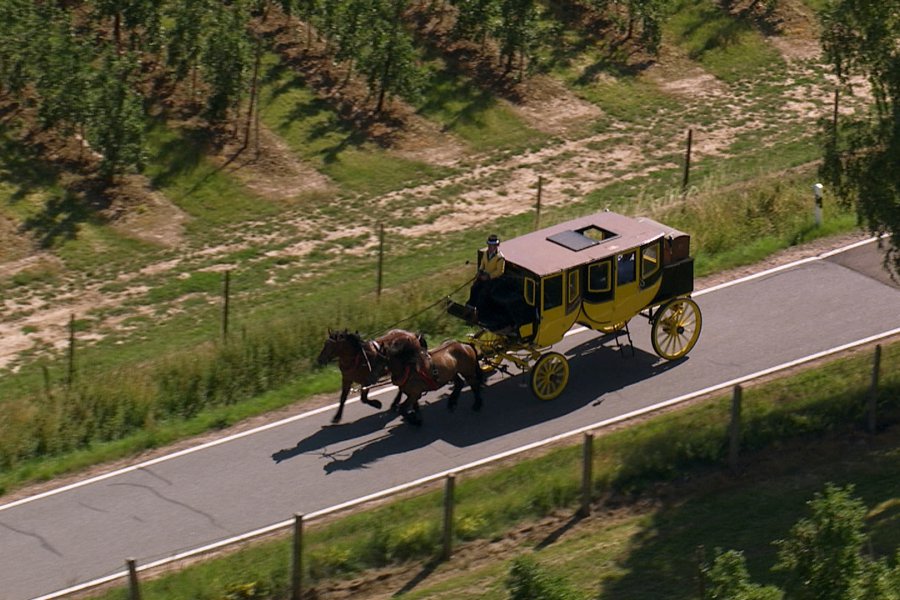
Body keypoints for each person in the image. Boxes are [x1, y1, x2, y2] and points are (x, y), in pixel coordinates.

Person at [467, 234, 505, 311]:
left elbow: (500, 272)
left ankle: (478, 311)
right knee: (474, 288)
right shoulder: (486, 253)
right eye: (489, 245)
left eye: (492, 246)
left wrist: (488, 277)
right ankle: (470, 306)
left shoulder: (500, 258)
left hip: (493, 280)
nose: (490, 248)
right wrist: (480, 271)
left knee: (483, 292)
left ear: (496, 246)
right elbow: (482, 264)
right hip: (484, 276)